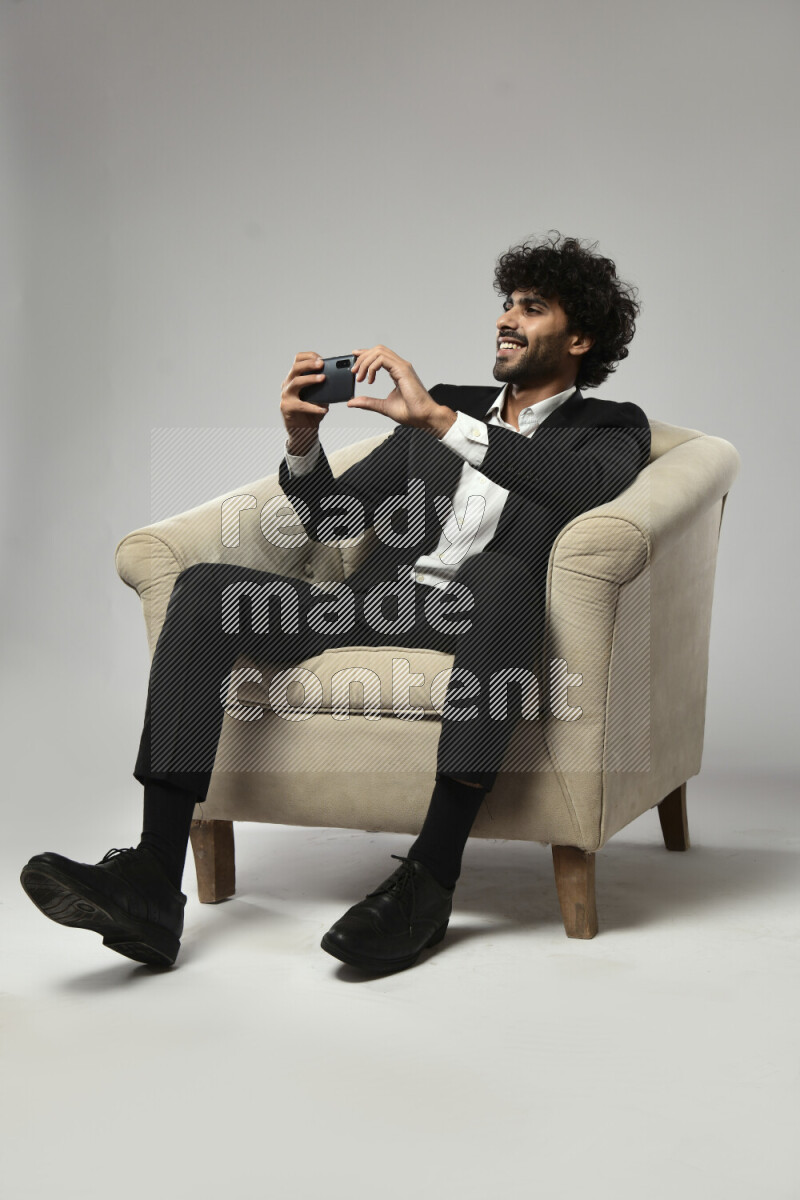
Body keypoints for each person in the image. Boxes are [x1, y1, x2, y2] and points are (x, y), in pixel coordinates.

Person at [20, 231, 650, 975]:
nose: (506, 319)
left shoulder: (609, 427)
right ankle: (154, 879)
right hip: (383, 603)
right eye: (506, 303)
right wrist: (301, 442)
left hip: (487, 621)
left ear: (579, 338)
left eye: (532, 308)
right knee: (203, 592)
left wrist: (445, 427)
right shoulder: (446, 405)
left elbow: (580, 490)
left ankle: (430, 878)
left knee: (504, 577)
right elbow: (334, 517)